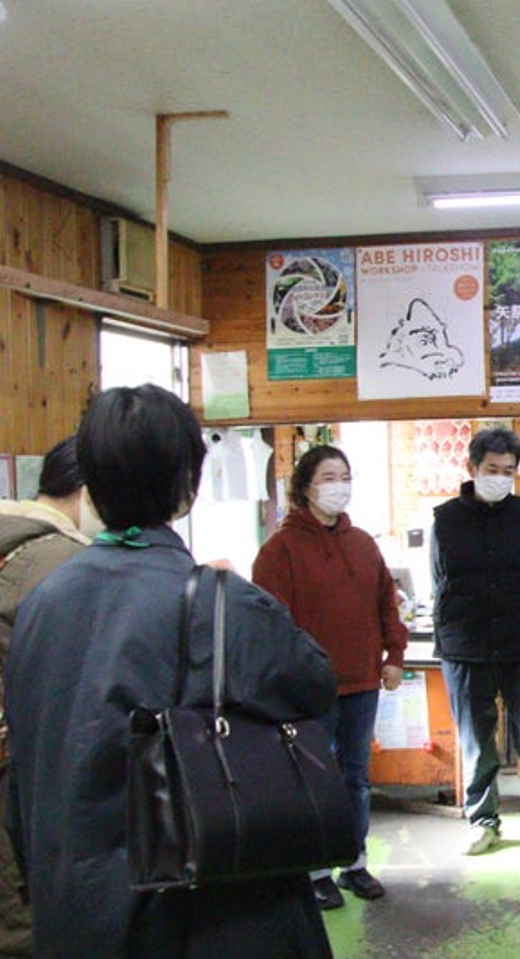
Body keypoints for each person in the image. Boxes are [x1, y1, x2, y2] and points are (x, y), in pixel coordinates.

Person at [4, 385, 338, 958]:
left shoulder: (40, 603)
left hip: (73, 911)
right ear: (188, 486)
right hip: (202, 913)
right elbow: (315, 685)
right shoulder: (219, 602)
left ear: (89, 485)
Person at [252, 445, 407, 910]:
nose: (339, 486)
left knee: (356, 777)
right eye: (328, 477)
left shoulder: (362, 544)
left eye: (345, 476)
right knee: (311, 779)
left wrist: (395, 654)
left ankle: (354, 862)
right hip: (309, 690)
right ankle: (316, 870)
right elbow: (271, 624)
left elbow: (387, 602)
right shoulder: (278, 551)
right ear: (305, 487)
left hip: (363, 682)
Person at [431, 428, 520, 858]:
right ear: (472, 468)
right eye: (492, 469)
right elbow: (440, 581)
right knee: (476, 741)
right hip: (464, 644)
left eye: (509, 471)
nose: (500, 478)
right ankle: (482, 820)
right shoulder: (445, 519)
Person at [0, 437, 98, 955]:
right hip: (20, 772)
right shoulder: (61, 561)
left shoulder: (11, 535)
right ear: (88, 492)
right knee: (24, 926)